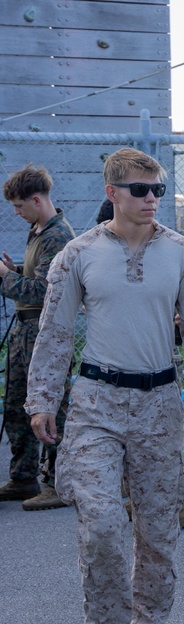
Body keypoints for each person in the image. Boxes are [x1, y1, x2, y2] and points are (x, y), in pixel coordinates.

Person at [26, 147, 184, 624]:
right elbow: (53, 331)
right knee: (99, 525)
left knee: (158, 530)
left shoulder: (182, 252)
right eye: (140, 190)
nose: (152, 199)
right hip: (97, 402)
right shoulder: (78, 253)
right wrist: (42, 399)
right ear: (111, 192)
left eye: (158, 189)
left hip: (160, 403)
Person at [0, 164, 74, 510]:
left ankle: (58, 482)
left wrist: (4, 277)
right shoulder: (38, 229)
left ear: (35, 199)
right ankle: (23, 476)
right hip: (26, 329)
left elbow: (47, 290)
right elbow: (33, 279)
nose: (16, 213)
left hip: (45, 332)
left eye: (19, 206)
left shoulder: (58, 236)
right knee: (17, 405)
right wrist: (15, 270)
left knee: (51, 408)